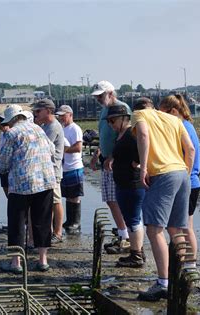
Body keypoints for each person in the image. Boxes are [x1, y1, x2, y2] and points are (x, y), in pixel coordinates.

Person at [132, 97, 195, 301]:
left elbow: (142, 134)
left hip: (162, 174)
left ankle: (163, 283)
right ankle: (180, 277)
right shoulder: (174, 120)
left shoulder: (139, 115)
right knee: (176, 228)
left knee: (154, 229)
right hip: (181, 172)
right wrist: (186, 171)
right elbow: (191, 149)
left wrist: (143, 168)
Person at [0, 104, 56, 273]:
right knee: (42, 221)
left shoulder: (11, 133)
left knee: (17, 222)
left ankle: (16, 263)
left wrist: (4, 170)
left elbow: (3, 162)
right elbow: (51, 150)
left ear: (12, 120)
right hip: (45, 180)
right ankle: (43, 260)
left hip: (21, 183)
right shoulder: (39, 129)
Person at [159, 94, 200, 271]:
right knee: (184, 226)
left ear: (174, 111)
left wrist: (185, 176)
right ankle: (188, 264)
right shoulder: (186, 126)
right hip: (191, 181)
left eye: (164, 114)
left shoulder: (182, 127)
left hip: (188, 182)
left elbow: (189, 152)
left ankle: (188, 264)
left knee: (181, 227)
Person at [90, 81, 131, 254]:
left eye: (101, 95)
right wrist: (98, 153)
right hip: (106, 159)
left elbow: (126, 134)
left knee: (120, 199)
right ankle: (123, 233)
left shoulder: (122, 109)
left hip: (118, 161)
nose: (99, 99)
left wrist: (114, 156)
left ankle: (127, 236)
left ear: (111, 92)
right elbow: (105, 135)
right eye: (97, 96)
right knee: (110, 199)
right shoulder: (104, 111)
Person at [106, 105, 146, 268]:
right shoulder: (121, 135)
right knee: (131, 219)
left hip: (132, 183)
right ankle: (137, 250)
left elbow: (143, 152)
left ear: (124, 118)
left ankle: (136, 254)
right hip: (123, 183)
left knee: (133, 219)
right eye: (109, 121)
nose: (110, 124)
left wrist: (137, 164)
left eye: (113, 120)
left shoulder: (131, 134)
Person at [32, 98, 65, 243]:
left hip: (53, 170)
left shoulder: (53, 126)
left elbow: (42, 147)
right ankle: (50, 231)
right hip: (46, 170)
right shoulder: (46, 126)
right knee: (49, 202)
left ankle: (58, 233)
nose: (35, 113)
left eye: (38, 111)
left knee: (56, 201)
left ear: (48, 111)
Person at [56, 105, 84, 234]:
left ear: (70, 115)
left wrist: (64, 150)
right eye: (60, 115)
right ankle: (69, 220)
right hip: (64, 167)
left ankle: (75, 222)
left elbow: (78, 148)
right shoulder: (63, 128)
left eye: (64, 115)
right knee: (67, 195)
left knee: (75, 196)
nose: (61, 118)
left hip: (74, 166)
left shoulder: (75, 128)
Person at [0, 113, 10, 198]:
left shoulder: (12, 133)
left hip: (10, 169)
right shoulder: (2, 135)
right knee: (5, 189)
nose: (0, 124)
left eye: (2, 122)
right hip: (2, 168)